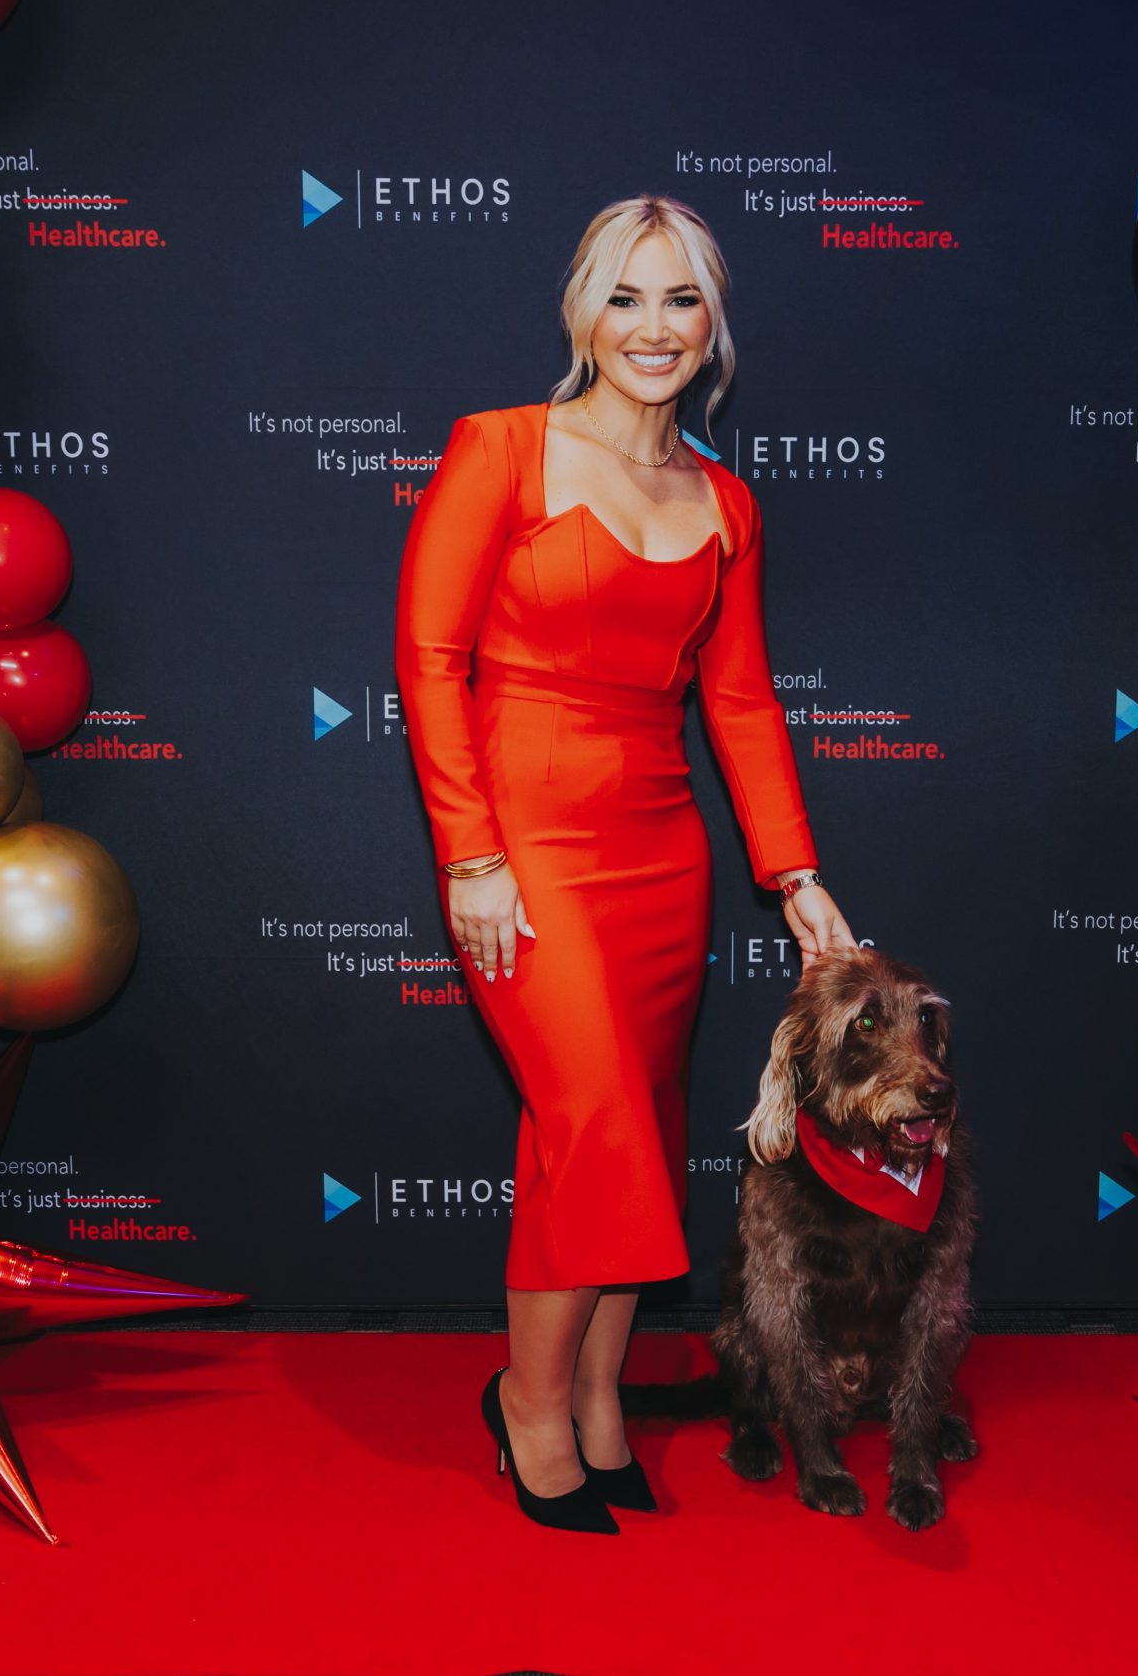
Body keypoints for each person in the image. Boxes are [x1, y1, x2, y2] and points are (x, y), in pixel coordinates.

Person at [394, 195, 856, 1532]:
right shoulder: (503, 449)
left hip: (661, 843)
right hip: (523, 836)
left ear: (713, 326)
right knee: (592, 1122)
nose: (653, 327)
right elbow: (429, 659)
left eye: (681, 299)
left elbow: (743, 701)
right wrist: (470, 855)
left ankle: (597, 1397)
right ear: (582, 314)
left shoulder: (727, 500)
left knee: (633, 1129)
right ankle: (527, 1405)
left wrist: (794, 873)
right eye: (626, 296)